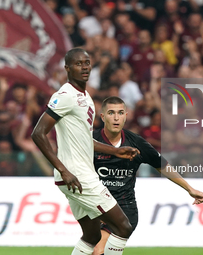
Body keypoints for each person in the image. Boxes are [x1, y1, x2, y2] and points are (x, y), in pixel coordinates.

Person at [31, 48, 141, 255]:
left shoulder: (85, 96)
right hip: (76, 175)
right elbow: (38, 134)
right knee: (123, 227)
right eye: (78, 63)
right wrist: (64, 170)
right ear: (67, 68)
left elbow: (85, 140)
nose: (84, 67)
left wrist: (115, 151)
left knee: (92, 236)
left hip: (79, 175)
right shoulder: (65, 96)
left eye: (87, 63)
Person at [92, 96, 203, 255]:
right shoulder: (90, 141)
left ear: (126, 115)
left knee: (97, 250)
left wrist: (189, 189)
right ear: (102, 116)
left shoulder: (136, 143)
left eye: (120, 113)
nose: (116, 117)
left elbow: (163, 166)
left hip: (124, 210)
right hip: (97, 207)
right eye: (111, 113)